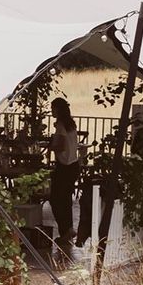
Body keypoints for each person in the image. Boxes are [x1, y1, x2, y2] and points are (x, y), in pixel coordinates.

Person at [44, 96, 87, 261]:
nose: (51, 111)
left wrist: (50, 146)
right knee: (66, 199)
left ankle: (65, 230)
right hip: (73, 165)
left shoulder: (61, 125)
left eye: (53, 108)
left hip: (64, 167)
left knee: (56, 199)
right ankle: (68, 230)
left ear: (59, 109)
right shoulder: (71, 124)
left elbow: (60, 145)